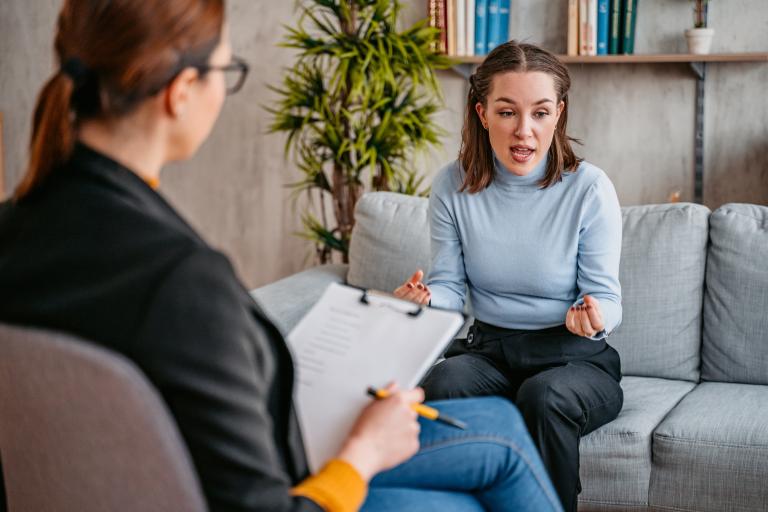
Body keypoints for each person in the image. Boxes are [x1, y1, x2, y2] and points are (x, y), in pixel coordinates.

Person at [0, 2, 564, 511]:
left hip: (135, 481)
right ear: (181, 92)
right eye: (226, 72)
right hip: (227, 486)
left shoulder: (20, 228)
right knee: (477, 483)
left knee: (496, 428)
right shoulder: (180, 280)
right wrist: (363, 453)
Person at [394, 41, 624, 512]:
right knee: (443, 383)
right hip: (490, 352)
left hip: (572, 359)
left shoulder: (589, 189)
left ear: (558, 114)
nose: (524, 131)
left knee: (544, 396)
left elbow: (606, 297)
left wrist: (595, 316)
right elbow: (450, 289)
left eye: (540, 113)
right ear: (481, 113)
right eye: (507, 112)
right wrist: (421, 302)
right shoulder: (451, 187)